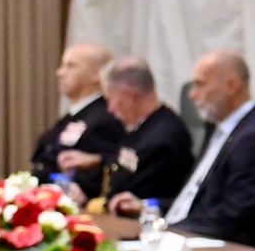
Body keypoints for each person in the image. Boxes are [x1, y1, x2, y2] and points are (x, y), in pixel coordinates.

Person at [163, 49, 255, 245]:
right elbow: (198, 200)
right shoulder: (218, 130)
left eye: (200, 84)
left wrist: (167, 232)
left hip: (214, 247)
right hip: (184, 233)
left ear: (231, 85)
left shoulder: (254, 138)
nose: (192, 94)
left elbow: (232, 217)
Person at [96, 56, 196, 216]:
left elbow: (131, 196)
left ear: (129, 94)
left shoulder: (164, 137)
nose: (110, 109)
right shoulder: (144, 127)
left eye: (110, 99)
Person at [28, 42, 124, 198]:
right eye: (62, 66)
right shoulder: (74, 116)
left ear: (96, 74)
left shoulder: (105, 118)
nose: (59, 73)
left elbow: (96, 176)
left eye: (70, 66)